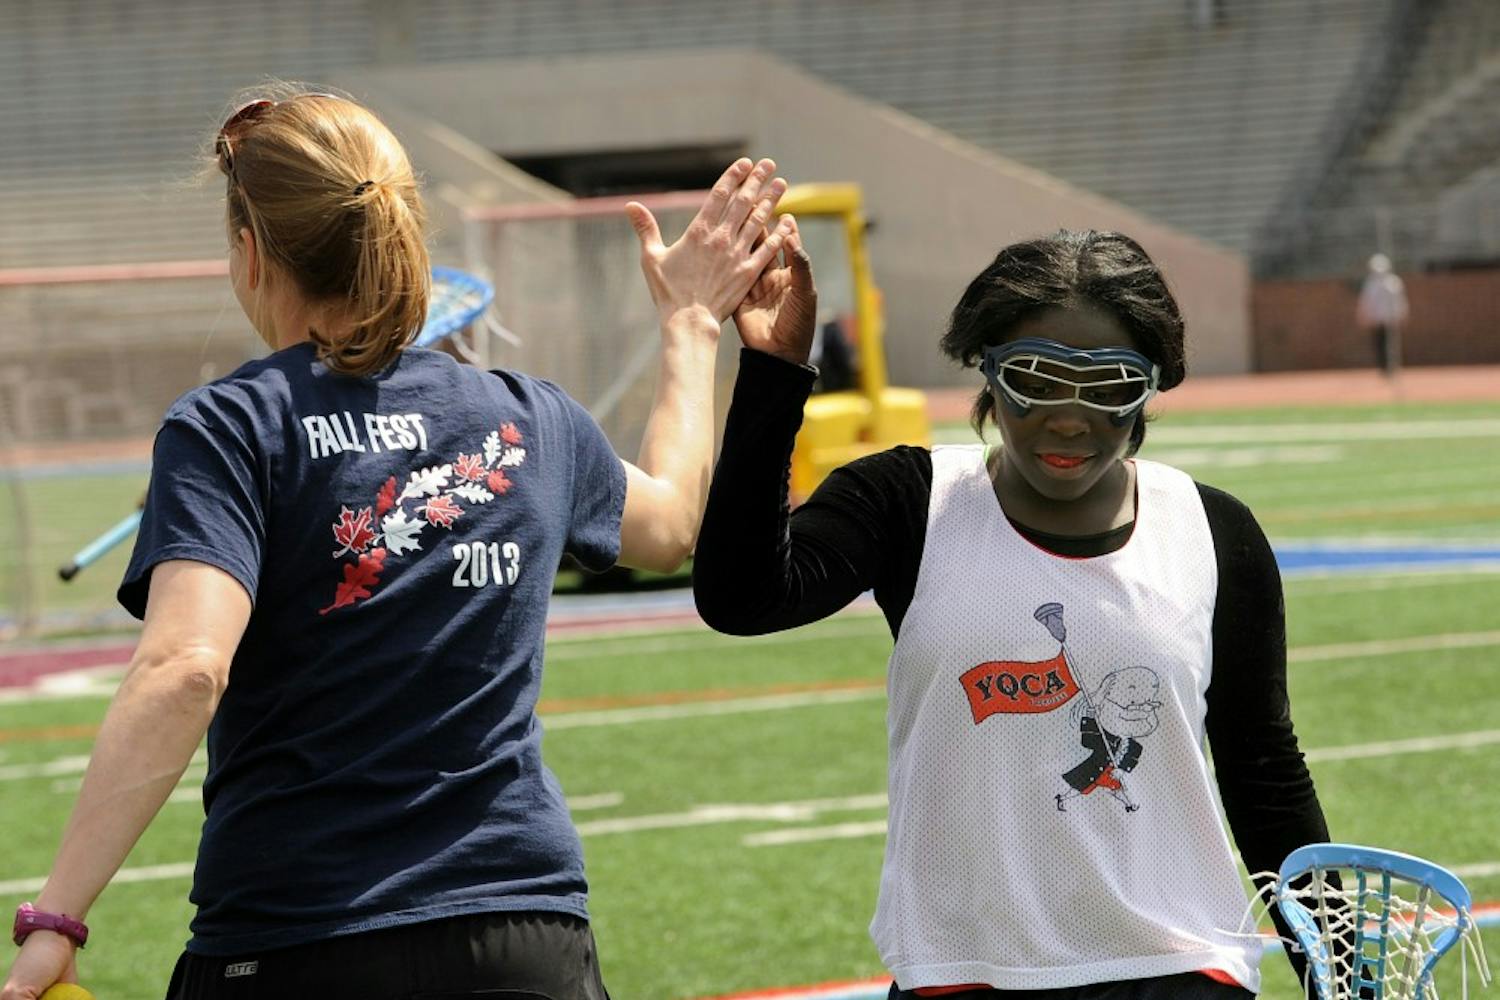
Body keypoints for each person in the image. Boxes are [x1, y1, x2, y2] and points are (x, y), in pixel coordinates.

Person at [2, 86, 797, 1000]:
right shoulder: (530, 416)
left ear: (251, 253)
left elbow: (186, 668)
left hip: (295, 938)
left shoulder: (229, 427)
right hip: (524, 936)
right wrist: (691, 325)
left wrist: (57, 917)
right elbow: (669, 526)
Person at [694, 230, 1334, 998]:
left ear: (1150, 387)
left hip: (1177, 970)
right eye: (1038, 377)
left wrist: (1342, 972)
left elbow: (1264, 774)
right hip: (959, 973)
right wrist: (773, 373)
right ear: (988, 370)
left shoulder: (1214, 530)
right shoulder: (909, 502)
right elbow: (741, 599)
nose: (1068, 418)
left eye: (1108, 384)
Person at [1356, 252, 1409, 376]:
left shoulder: (1393, 282)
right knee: (1381, 344)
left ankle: (1390, 367)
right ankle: (1385, 367)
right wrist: (1364, 316)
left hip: (1389, 319)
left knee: (1389, 344)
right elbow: (1366, 303)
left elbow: (1400, 301)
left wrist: (1402, 314)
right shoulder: (1372, 283)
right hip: (1379, 320)